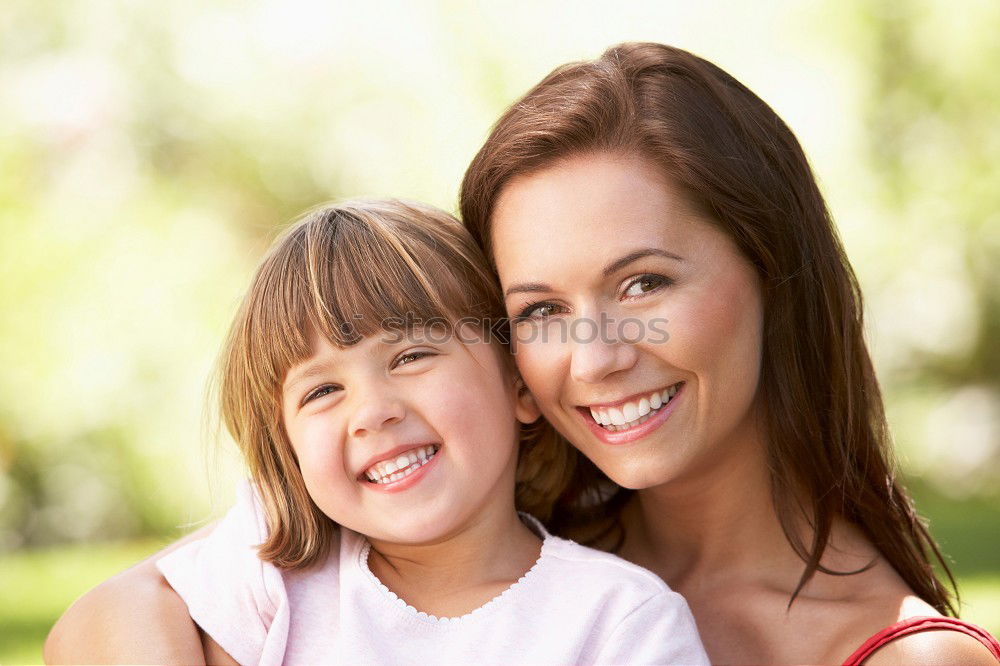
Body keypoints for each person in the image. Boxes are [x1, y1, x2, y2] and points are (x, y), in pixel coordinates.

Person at [47, 44, 1000, 665]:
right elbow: (103, 625)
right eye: (541, 308)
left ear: (771, 270)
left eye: (643, 285)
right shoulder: (443, 511)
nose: (593, 358)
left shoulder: (904, 655)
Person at [48, 198, 708, 665]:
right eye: (323, 391)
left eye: (411, 357)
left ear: (518, 383)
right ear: (289, 449)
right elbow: (95, 628)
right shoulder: (270, 576)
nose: (372, 412)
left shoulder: (618, 619)